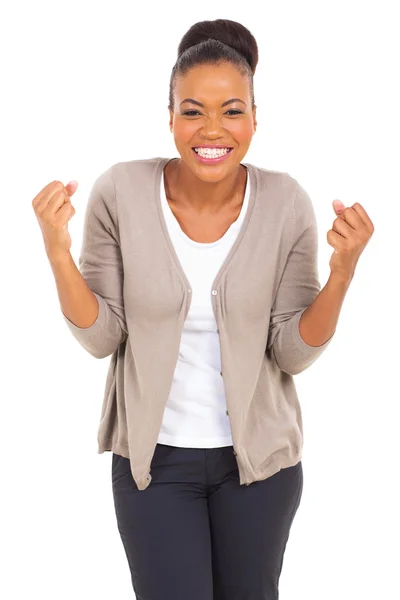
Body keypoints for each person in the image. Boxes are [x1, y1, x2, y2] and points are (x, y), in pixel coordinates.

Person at [32, 18, 374, 600]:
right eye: (192, 111)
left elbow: (291, 350)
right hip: (153, 468)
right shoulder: (119, 192)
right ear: (168, 117)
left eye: (232, 110)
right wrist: (58, 254)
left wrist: (342, 273)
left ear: (255, 119)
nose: (212, 129)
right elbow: (101, 337)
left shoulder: (286, 201)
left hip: (260, 470)